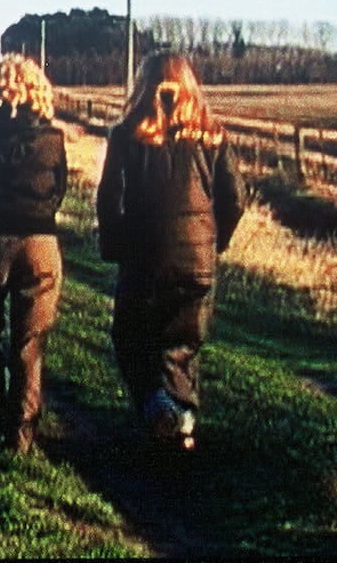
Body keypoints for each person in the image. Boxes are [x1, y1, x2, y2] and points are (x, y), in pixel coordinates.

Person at [95, 52, 245, 452]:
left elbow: (110, 200)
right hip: (197, 260)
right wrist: (215, 243)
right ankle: (183, 418)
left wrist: (114, 246)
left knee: (130, 337)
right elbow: (235, 199)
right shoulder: (212, 135)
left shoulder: (127, 135)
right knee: (182, 344)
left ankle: (159, 407)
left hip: (143, 258)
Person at [0, 54, 68, 454]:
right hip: (39, 241)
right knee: (30, 339)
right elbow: (59, 191)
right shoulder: (53, 139)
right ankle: (22, 429)